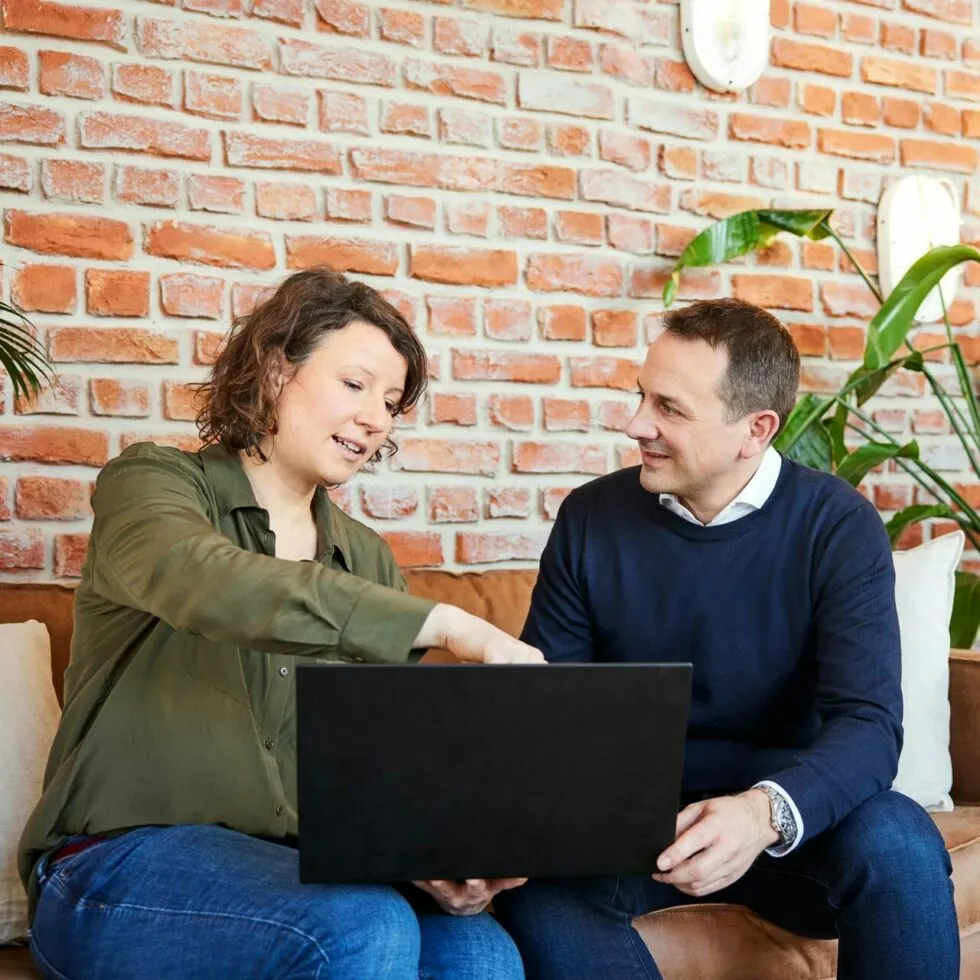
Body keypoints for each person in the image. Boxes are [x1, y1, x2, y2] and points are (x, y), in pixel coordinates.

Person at [19, 267, 541, 980]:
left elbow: (375, 771)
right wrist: (451, 624)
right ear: (274, 370)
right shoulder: (154, 485)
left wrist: (436, 857)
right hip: (115, 870)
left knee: (480, 952)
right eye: (355, 385)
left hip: (294, 872)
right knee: (360, 925)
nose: (375, 418)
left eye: (390, 402)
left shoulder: (366, 557)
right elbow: (205, 581)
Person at [493, 297, 958, 980]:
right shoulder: (591, 518)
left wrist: (762, 814)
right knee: (534, 901)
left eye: (670, 409)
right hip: (636, 832)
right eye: (641, 397)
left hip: (790, 830)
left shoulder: (836, 526)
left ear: (756, 430)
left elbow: (868, 724)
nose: (636, 425)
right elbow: (552, 709)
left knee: (898, 838)